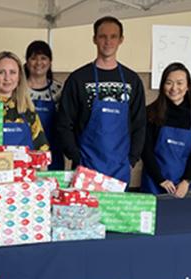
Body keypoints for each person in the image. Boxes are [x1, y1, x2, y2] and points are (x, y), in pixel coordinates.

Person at [57, 16, 146, 184]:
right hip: (85, 167)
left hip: (120, 168)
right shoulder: (78, 79)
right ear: (94, 39)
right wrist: (76, 156)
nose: (108, 41)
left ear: (121, 40)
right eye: (102, 36)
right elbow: (64, 123)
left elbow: (140, 124)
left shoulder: (132, 80)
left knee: (116, 210)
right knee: (85, 210)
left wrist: (132, 159)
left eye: (113, 36)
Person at [141, 62, 191, 198]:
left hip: (182, 186)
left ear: (188, 86)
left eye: (180, 83)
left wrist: (186, 181)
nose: (174, 88)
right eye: (169, 83)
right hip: (154, 182)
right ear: (162, 85)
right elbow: (145, 150)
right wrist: (160, 180)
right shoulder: (150, 113)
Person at [0, 51, 49, 151]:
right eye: (1, 72)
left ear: (19, 77)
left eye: (12, 72)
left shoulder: (27, 108)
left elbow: (42, 148)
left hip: (22, 166)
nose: (7, 78)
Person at [25, 40, 64, 168]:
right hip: (25, 154)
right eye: (33, 58)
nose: (38, 63)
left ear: (50, 61)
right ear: (27, 61)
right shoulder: (18, 90)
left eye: (43, 58)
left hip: (53, 154)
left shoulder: (59, 90)